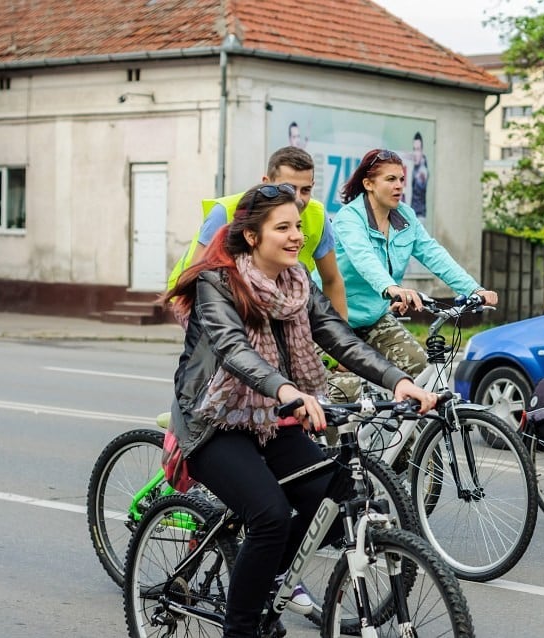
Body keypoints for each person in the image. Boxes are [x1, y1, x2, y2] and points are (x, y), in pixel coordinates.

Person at [162, 183, 438, 638]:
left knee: (336, 491)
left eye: (298, 227)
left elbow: (337, 334)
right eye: (283, 228)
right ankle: (241, 627)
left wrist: (399, 381)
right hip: (212, 422)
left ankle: (267, 578)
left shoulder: (297, 283)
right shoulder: (218, 282)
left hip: (271, 418)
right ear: (252, 236)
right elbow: (233, 349)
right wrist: (288, 389)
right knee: (269, 513)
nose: (296, 237)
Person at [329, 148, 497, 398]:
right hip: (333, 319)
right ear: (368, 184)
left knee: (419, 370)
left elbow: (433, 254)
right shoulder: (350, 218)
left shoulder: (405, 217)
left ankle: (407, 438)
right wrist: (392, 289)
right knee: (345, 390)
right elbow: (363, 257)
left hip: (374, 317)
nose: (399, 186)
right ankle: (325, 438)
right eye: (390, 179)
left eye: (401, 179)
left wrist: (474, 289)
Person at [167, 146, 347, 321]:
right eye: (289, 188)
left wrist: (339, 345)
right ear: (266, 182)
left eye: (306, 190)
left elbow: (332, 280)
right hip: (200, 295)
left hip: (269, 294)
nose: (298, 199)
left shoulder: (317, 215)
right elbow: (198, 283)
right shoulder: (225, 212)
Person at [410, 131, 428, 219]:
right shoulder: (415, 167)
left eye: (418, 149)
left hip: (419, 216)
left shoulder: (422, 170)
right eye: (414, 149)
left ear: (422, 151)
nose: (415, 153)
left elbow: (422, 179)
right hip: (413, 215)